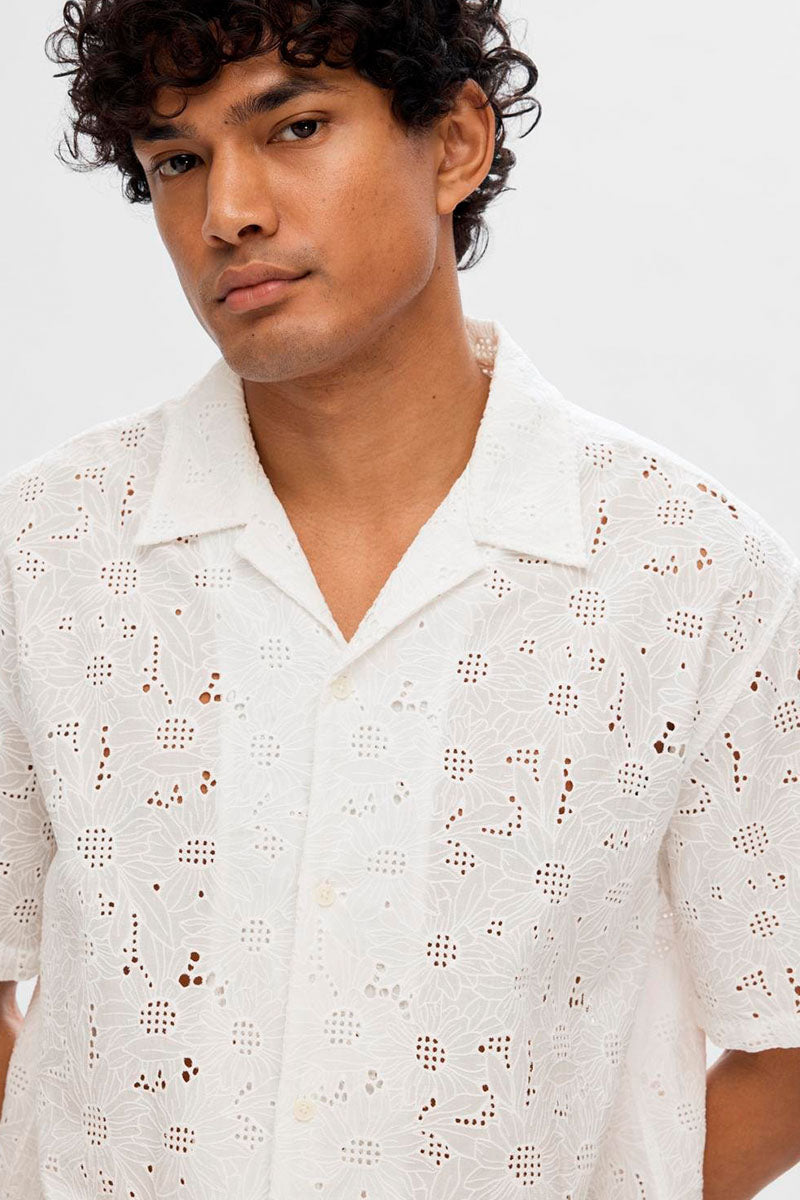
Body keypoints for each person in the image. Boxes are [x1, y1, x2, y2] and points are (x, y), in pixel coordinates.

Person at [1, 2, 799, 1198]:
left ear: (455, 143)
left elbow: (784, 1038)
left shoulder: (688, 574)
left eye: (295, 127)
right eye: (176, 160)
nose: (228, 213)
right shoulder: (43, 554)